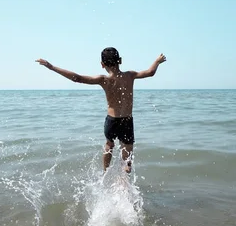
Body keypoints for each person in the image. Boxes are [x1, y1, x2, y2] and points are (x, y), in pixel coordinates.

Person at [36, 47, 166, 173]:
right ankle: (126, 170)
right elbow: (150, 72)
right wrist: (157, 61)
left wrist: (51, 67)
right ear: (120, 61)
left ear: (102, 64)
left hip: (111, 121)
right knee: (128, 147)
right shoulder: (130, 75)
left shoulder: (103, 80)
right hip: (127, 120)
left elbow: (77, 78)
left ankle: (105, 171)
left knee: (109, 145)